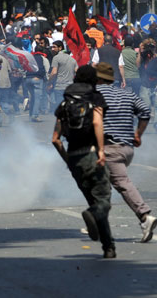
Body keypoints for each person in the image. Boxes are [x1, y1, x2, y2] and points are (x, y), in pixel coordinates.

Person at [51, 65, 115, 258]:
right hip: (91, 154)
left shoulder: (65, 103)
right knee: (102, 201)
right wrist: (101, 151)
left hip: (74, 156)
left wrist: (68, 160)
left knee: (93, 199)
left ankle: (108, 247)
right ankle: (96, 219)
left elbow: (55, 139)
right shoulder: (94, 98)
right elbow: (97, 122)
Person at [95, 62, 157, 243]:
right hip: (126, 148)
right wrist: (138, 134)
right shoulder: (127, 93)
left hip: (109, 148)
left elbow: (93, 122)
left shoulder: (96, 95)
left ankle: (145, 216)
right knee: (102, 184)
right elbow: (145, 111)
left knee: (121, 182)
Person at [48, 41, 77, 110]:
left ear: (60, 48)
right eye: (52, 47)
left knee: (60, 107)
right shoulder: (72, 59)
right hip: (70, 87)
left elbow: (54, 72)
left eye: (54, 47)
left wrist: (49, 81)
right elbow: (77, 71)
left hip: (59, 87)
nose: (52, 49)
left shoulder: (56, 58)